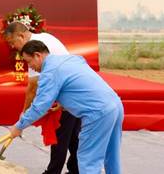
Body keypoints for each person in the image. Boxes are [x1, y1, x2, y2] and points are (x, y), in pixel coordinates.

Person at [9, 40, 123, 174]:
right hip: (115, 104)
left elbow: (40, 106)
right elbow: (80, 81)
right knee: (111, 155)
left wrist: (19, 126)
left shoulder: (49, 72)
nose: (30, 67)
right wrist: (65, 102)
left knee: (88, 160)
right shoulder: (70, 59)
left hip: (98, 112)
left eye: (29, 62)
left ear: (37, 55)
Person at [4, 21, 81, 174]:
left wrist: (23, 118)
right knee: (73, 137)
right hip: (73, 93)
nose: (12, 47)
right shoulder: (45, 37)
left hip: (68, 95)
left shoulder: (34, 49)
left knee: (60, 137)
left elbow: (33, 87)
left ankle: (53, 171)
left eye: (12, 42)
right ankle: (76, 169)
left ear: (21, 36)